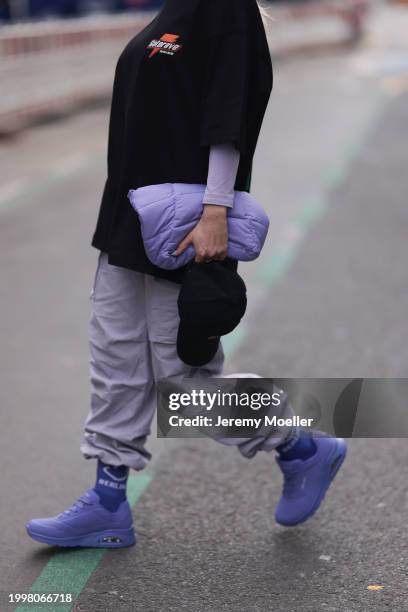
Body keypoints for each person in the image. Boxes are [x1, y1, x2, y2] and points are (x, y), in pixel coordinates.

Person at [26, 0, 347, 549]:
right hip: (127, 222)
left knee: (183, 382)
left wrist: (216, 213)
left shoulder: (226, 10)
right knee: (116, 363)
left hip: (186, 225)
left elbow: (228, 118)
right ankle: (106, 501)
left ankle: (300, 446)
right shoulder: (172, 12)